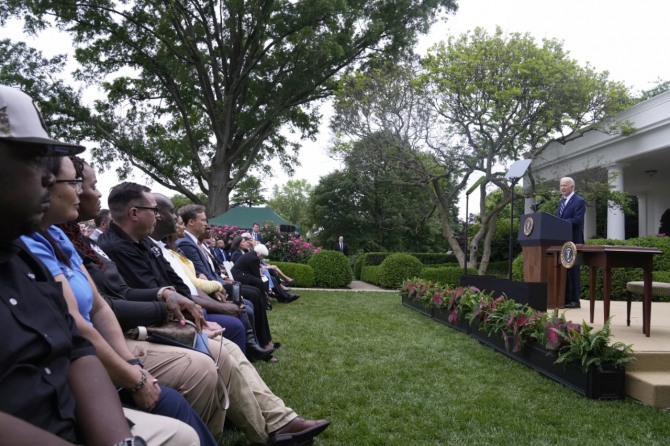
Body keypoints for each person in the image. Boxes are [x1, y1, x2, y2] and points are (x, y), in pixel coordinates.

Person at [0, 84, 185, 445]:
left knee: (183, 433)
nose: (49, 178)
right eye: (32, 158)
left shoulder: (23, 259)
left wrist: (120, 440)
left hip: (81, 415)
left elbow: (75, 343)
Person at [99, 181, 331, 445]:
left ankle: (280, 423)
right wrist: (186, 314)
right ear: (133, 213)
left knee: (227, 348)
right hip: (143, 331)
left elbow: (174, 285)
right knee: (217, 353)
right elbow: (137, 300)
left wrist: (188, 307)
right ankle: (269, 432)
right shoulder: (117, 248)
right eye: (155, 210)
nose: (162, 216)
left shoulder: (144, 244)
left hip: (164, 321)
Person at [21, 155, 215, 445]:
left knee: (216, 350)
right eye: (81, 183)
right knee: (196, 373)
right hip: (97, 351)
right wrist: (161, 314)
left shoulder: (65, 240)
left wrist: (131, 360)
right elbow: (81, 322)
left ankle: (268, 422)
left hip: (105, 347)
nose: (93, 192)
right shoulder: (52, 242)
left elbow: (100, 304)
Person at [556, 176, 586, 308]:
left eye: (565, 185)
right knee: (564, 271)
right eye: (561, 185)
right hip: (562, 241)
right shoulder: (561, 202)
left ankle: (574, 300)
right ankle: (565, 298)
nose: (562, 188)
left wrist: (560, 223)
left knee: (573, 271)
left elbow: (577, 220)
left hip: (574, 241)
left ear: (572, 186)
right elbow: (558, 219)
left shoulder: (579, 201)